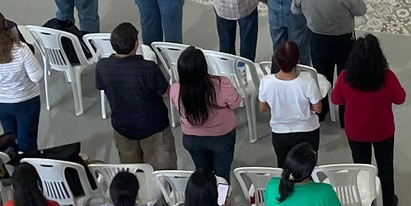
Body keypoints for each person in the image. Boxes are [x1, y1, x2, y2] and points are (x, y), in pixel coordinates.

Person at [332, 34, 407, 206]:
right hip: (383, 130)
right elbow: (400, 98)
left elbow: (335, 99)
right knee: (385, 166)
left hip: (356, 131)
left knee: (361, 168)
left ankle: (362, 203)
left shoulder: (345, 77)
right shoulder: (387, 77)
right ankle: (387, 202)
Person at [95, 21, 175, 168]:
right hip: (153, 128)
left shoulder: (102, 66)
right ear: (136, 44)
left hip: (123, 128)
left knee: (134, 174)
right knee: (162, 174)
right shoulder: (148, 69)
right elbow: (165, 92)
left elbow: (101, 86)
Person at [0, 8, 45, 154]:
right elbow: (37, 76)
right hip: (25, 101)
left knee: (9, 137)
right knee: (27, 140)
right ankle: (28, 169)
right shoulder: (20, 49)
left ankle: (14, 160)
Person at [294, 0, 368, 82]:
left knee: (322, 78)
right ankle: (343, 102)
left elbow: (295, 10)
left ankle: (323, 102)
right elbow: (361, 11)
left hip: (317, 40)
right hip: (344, 41)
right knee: (346, 77)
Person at [258, 38, 330, 168]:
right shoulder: (307, 82)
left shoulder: (266, 82)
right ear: (297, 61)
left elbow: (262, 108)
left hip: (280, 132)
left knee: (283, 166)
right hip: (307, 130)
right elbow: (318, 109)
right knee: (308, 168)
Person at [174, 44, 243, 177]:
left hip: (192, 139)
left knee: (202, 172)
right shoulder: (221, 84)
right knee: (222, 175)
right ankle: (222, 197)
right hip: (221, 137)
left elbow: (178, 107)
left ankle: (206, 196)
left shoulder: (176, 89)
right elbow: (236, 101)